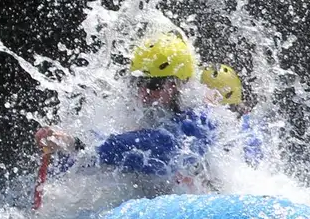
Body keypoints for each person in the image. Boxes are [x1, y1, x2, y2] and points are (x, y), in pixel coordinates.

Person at [38, 29, 218, 182]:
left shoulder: (199, 123)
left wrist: (76, 145)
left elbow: (159, 145)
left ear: (178, 85)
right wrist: (63, 145)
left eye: (153, 85)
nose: (143, 93)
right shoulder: (146, 116)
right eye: (137, 83)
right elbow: (112, 142)